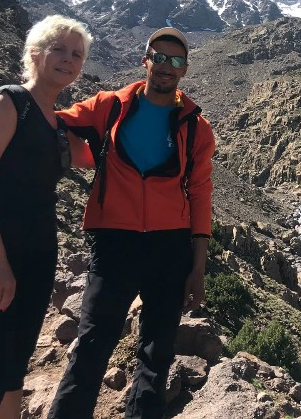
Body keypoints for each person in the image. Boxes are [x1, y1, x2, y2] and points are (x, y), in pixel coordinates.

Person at [46, 27, 215, 419]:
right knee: (92, 344)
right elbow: (52, 121)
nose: (165, 67)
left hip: (169, 249)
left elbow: (201, 194)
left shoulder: (196, 127)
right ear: (146, 60)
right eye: (159, 57)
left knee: (156, 355)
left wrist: (198, 268)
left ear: (185, 70)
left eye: (175, 61)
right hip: (114, 243)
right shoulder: (111, 106)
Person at [0, 15, 93, 419]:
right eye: (58, 49)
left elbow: (106, 154)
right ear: (35, 54)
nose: (68, 59)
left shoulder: (56, 124)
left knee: (12, 373)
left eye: (76, 54)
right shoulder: (10, 101)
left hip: (35, 261)